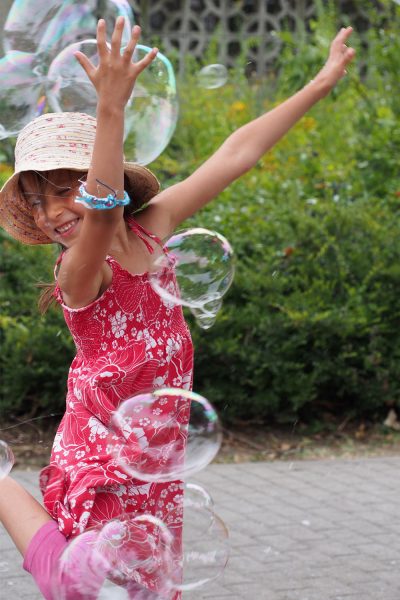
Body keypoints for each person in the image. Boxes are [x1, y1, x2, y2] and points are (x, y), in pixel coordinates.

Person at [0, 15, 355, 600]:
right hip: (104, 454)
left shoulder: (153, 230)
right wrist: (110, 107)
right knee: (82, 586)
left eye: (62, 190)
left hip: (156, 451)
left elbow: (235, 154)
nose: (50, 213)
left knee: (146, 588)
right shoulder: (77, 270)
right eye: (37, 202)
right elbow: (104, 205)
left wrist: (318, 84)